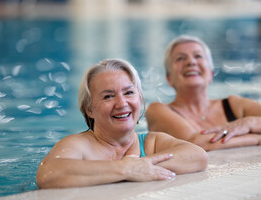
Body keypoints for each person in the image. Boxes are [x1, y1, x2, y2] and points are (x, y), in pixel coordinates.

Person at [36, 59, 208, 189]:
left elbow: (198, 156)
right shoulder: (79, 145)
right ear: (89, 109)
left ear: (139, 99)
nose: (122, 103)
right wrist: (125, 169)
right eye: (108, 96)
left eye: (129, 93)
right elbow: (48, 173)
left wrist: (139, 167)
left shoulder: (152, 143)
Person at [145, 35, 261, 151]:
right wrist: (259, 138)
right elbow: (196, 144)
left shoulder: (233, 105)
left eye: (198, 56)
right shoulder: (157, 110)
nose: (191, 62)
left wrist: (249, 123)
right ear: (169, 78)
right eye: (180, 58)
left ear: (211, 73)